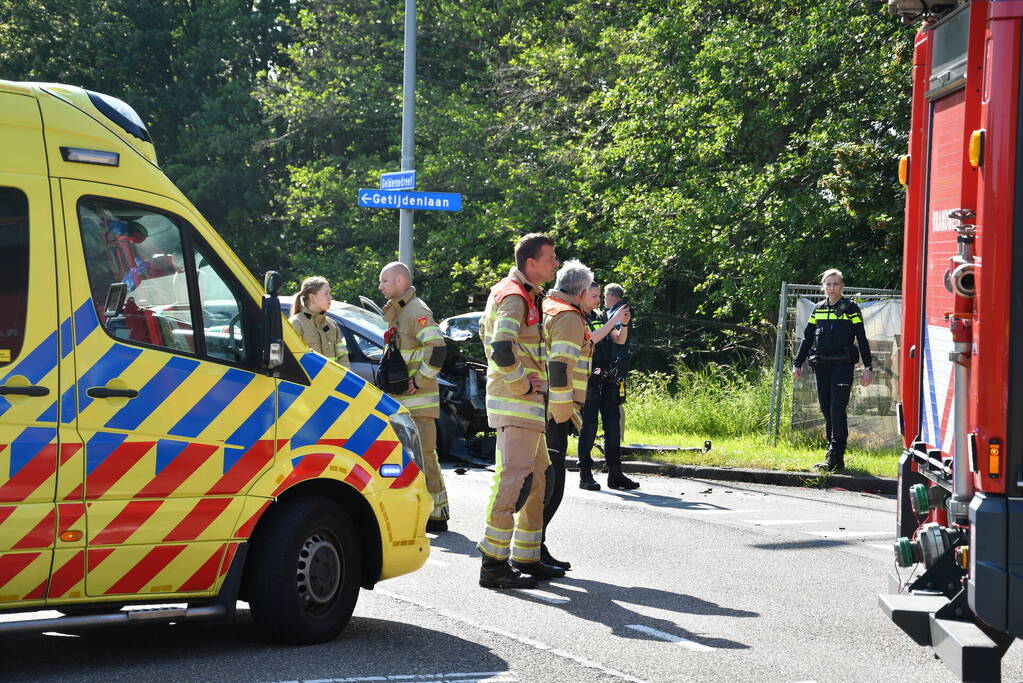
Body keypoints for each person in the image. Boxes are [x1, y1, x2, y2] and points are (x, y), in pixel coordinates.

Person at [477, 232, 563, 589]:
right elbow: (501, 348)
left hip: (524, 404)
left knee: (539, 476)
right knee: (514, 479)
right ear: (531, 263)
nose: (555, 264)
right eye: (550, 258)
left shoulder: (523, 292)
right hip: (517, 402)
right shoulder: (515, 296)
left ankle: (526, 556)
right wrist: (525, 386)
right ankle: (493, 564)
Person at [379, 262, 450, 533]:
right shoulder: (400, 311)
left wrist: (419, 380)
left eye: (384, 281)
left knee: (425, 456)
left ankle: (438, 512)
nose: (380, 287)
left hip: (418, 402)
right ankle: (419, 511)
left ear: (399, 280)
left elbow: (438, 349)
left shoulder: (417, 311)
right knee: (410, 459)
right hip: (403, 402)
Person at [541, 259, 594, 571]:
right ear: (582, 291)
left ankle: (533, 545)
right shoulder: (569, 317)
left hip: (541, 404)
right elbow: (560, 366)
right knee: (553, 481)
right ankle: (534, 546)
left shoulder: (546, 306)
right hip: (556, 410)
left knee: (540, 481)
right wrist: (564, 413)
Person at [792, 268, 873, 472]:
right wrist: (797, 363)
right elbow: (807, 337)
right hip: (822, 365)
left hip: (843, 366)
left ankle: (837, 456)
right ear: (824, 287)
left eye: (836, 284)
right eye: (828, 284)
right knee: (826, 409)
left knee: (837, 409)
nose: (832, 288)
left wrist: (868, 367)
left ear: (842, 286)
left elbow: (861, 338)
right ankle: (832, 454)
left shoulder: (851, 308)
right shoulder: (818, 308)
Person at [576, 283, 634, 490]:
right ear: (581, 295)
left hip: (608, 377)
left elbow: (618, 340)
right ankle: (585, 473)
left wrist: (624, 324)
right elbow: (591, 338)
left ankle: (615, 473)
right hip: (589, 378)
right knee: (589, 427)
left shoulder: (600, 316)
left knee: (612, 424)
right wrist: (614, 321)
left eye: (599, 295)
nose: (598, 299)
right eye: (594, 295)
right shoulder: (577, 316)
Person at [289, 276, 350, 368]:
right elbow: (294, 361)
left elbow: (343, 357)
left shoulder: (332, 324)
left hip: (333, 381)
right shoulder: (296, 323)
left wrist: (345, 380)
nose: (330, 297)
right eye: (326, 293)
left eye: (329, 293)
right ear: (312, 297)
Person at [603, 283, 631, 437]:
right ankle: (617, 436)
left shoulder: (620, 311)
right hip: (616, 360)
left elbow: (618, 336)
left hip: (617, 360)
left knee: (617, 400)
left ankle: (619, 437)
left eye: (605, 296)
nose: (604, 300)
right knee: (615, 399)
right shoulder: (615, 310)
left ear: (611, 296)